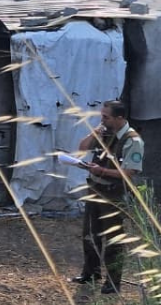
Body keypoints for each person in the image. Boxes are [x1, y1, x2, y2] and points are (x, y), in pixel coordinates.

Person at [72, 100, 144, 295]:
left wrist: (102, 170)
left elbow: (129, 171)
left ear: (120, 118)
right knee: (90, 233)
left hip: (114, 193)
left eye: (106, 116)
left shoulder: (132, 140)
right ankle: (91, 273)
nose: (102, 119)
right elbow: (83, 146)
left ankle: (113, 283)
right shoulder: (104, 132)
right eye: (101, 116)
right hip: (95, 189)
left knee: (113, 239)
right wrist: (95, 132)